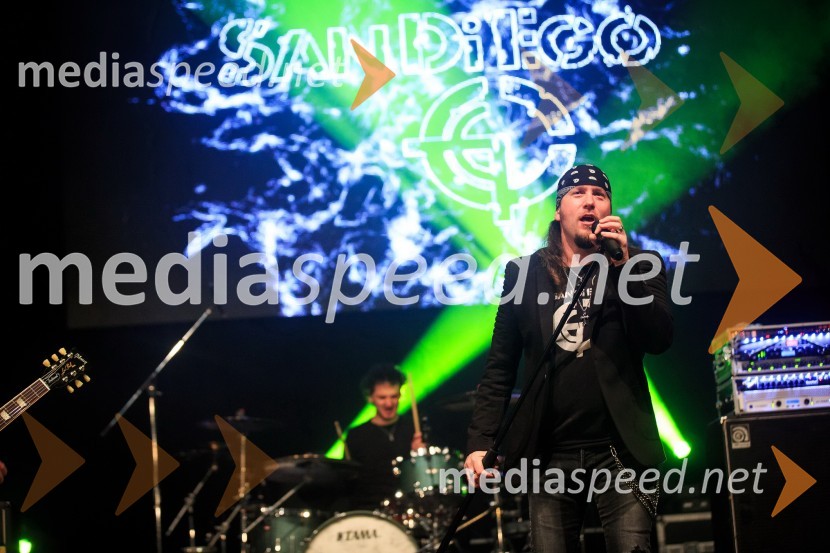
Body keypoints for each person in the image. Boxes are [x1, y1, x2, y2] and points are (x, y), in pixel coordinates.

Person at [464, 164, 673, 553]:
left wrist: (623, 268)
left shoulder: (641, 265)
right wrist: (480, 441)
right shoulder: (524, 274)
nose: (591, 201)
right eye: (579, 194)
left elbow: (658, 339)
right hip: (549, 453)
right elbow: (500, 367)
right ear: (559, 210)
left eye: (600, 194)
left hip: (619, 450)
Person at [345, 364, 425, 510]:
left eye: (393, 396)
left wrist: (420, 455)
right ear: (370, 398)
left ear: (400, 395)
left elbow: (428, 476)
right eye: (382, 397)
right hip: (370, 511)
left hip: (410, 508)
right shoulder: (356, 435)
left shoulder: (415, 427)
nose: (389, 403)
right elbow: (349, 483)